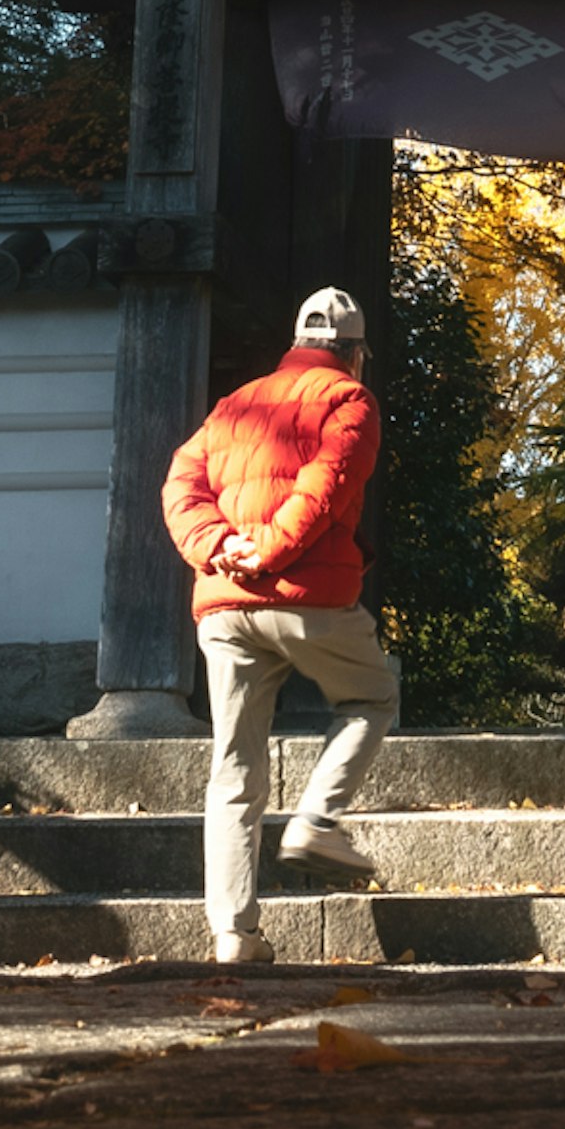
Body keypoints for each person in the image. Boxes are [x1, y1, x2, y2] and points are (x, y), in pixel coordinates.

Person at [163, 282, 401, 968]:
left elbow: (181, 487)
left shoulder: (233, 406)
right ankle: (317, 822)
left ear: (296, 345)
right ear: (354, 353)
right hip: (307, 598)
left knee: (234, 768)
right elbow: (323, 490)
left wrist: (220, 548)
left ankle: (233, 935)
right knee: (371, 697)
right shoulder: (350, 401)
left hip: (226, 604)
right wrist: (267, 553)